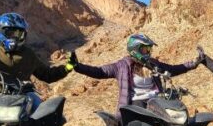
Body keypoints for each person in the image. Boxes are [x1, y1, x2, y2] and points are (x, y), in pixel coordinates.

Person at [0, 12, 73, 114]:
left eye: (19, 33)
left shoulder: (28, 53)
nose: (15, 37)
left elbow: (47, 74)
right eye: (11, 32)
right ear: (1, 31)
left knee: (46, 117)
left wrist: (67, 68)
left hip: (24, 96)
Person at [69, 33, 202, 112]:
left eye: (149, 50)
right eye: (145, 50)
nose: (148, 53)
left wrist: (194, 63)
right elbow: (99, 71)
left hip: (156, 101)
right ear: (135, 49)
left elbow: (173, 69)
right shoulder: (121, 66)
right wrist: (78, 66)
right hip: (135, 105)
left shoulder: (153, 64)